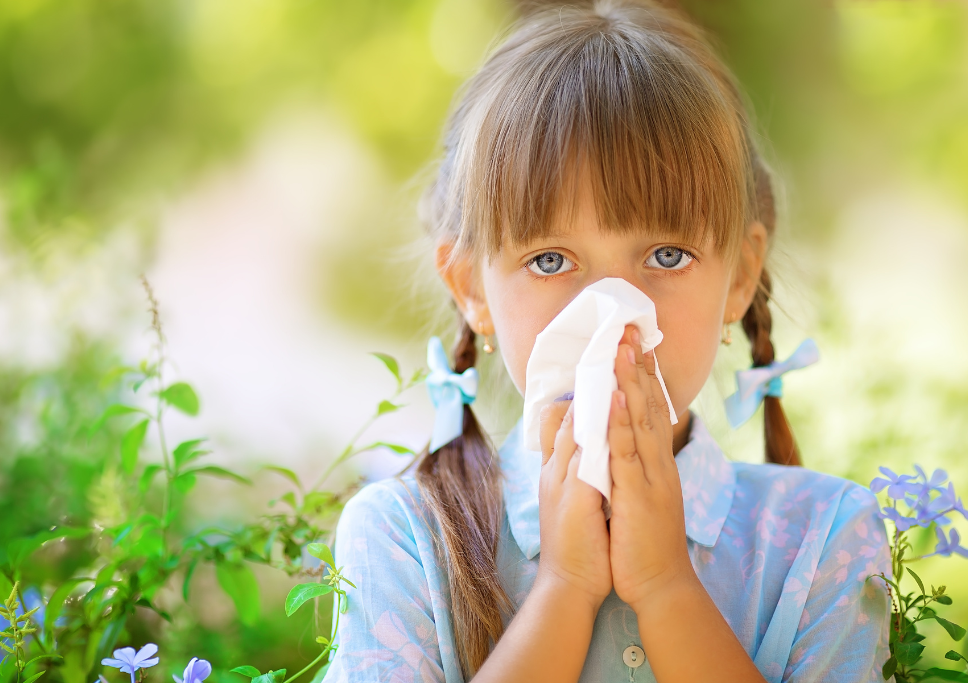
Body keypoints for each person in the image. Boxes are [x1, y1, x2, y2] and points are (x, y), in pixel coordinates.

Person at [321, 1, 891, 681]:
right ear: (472, 287)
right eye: (551, 260)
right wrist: (564, 589)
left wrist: (667, 587)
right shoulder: (406, 536)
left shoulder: (822, 537)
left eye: (668, 255)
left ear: (739, 274)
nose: (612, 314)